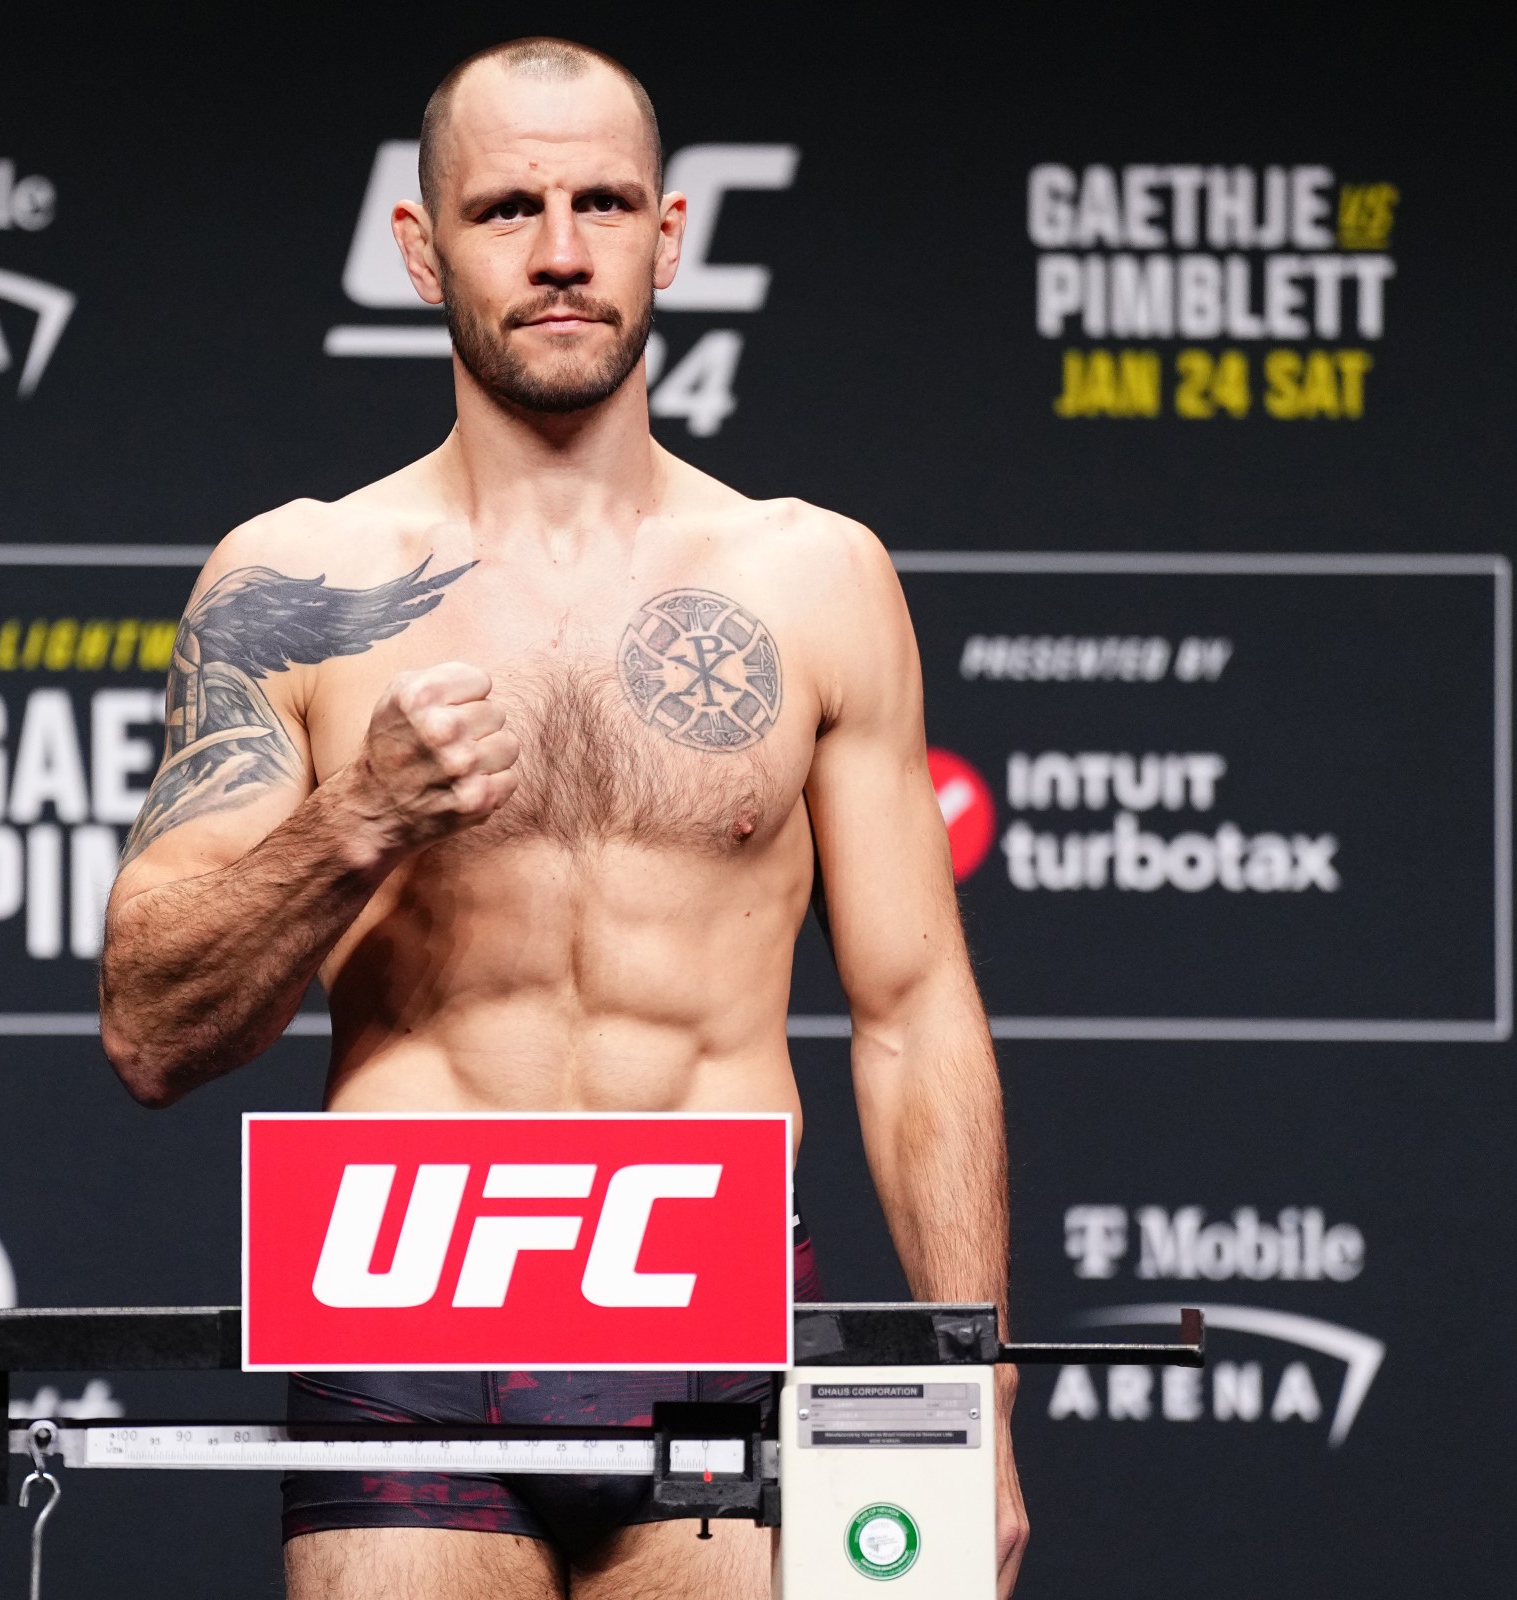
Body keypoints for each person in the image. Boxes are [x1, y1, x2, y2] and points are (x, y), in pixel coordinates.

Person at [98, 35, 1025, 1600]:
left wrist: (979, 1408)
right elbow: (150, 1027)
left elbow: (913, 1011)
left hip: (712, 1298)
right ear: (419, 248)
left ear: (670, 239)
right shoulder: (293, 583)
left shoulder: (816, 577)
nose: (561, 251)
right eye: (507, 207)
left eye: (603, 202)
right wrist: (356, 823)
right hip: (401, 1294)